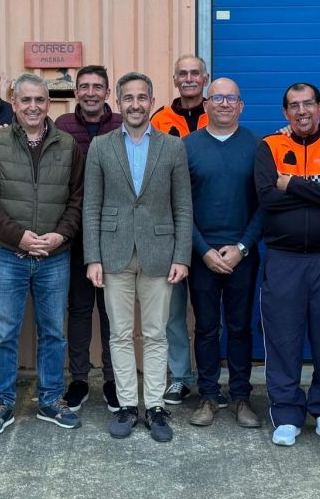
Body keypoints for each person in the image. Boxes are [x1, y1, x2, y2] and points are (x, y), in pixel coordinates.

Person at [0, 73, 84, 436]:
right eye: (26, 101)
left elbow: (78, 199)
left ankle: (51, 399)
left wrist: (60, 235)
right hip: (7, 255)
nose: (33, 107)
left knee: (53, 331)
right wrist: (19, 237)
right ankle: (1, 401)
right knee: (4, 332)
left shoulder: (68, 145)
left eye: (40, 100)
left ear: (48, 103)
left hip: (54, 255)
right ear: (14, 103)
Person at [85, 72, 193, 442]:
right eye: (128, 98)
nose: (134, 104)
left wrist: (182, 256)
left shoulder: (172, 146)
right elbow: (91, 207)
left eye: (141, 97)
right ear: (118, 102)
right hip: (113, 253)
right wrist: (92, 257)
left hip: (160, 254)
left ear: (151, 101)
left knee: (155, 333)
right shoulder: (100, 147)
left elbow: (183, 206)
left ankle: (157, 407)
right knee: (118, 334)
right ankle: (129, 406)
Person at [254, 82, 320, 447]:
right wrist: (319, 194)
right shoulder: (270, 146)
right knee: (283, 338)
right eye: (294, 106)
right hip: (284, 259)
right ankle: (286, 413)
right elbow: (267, 198)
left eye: (308, 104)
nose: (302, 111)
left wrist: (292, 185)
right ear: (285, 113)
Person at [183, 78, 263, 428]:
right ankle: (209, 397)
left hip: (242, 255)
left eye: (232, 98)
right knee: (205, 328)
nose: (225, 104)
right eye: (218, 98)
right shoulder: (186, 147)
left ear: (241, 105)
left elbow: (265, 206)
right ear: (206, 104)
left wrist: (243, 248)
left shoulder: (258, 146)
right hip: (201, 255)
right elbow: (179, 206)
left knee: (240, 327)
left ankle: (242, 397)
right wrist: (202, 250)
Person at [54, 65, 121, 413]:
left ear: (107, 92)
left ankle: (113, 380)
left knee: (113, 312)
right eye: (84, 87)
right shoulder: (63, 126)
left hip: (115, 234)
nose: (91, 92)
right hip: (76, 233)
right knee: (79, 309)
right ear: (76, 91)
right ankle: (79, 379)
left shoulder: (122, 124)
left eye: (98, 87)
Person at [149, 54, 208, 406]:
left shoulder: (215, 111)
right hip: (168, 228)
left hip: (208, 226)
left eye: (195, 74)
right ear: (174, 80)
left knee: (208, 313)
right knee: (172, 311)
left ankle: (213, 377)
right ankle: (181, 377)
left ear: (205, 78)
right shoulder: (160, 119)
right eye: (182, 74)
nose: (189, 79)